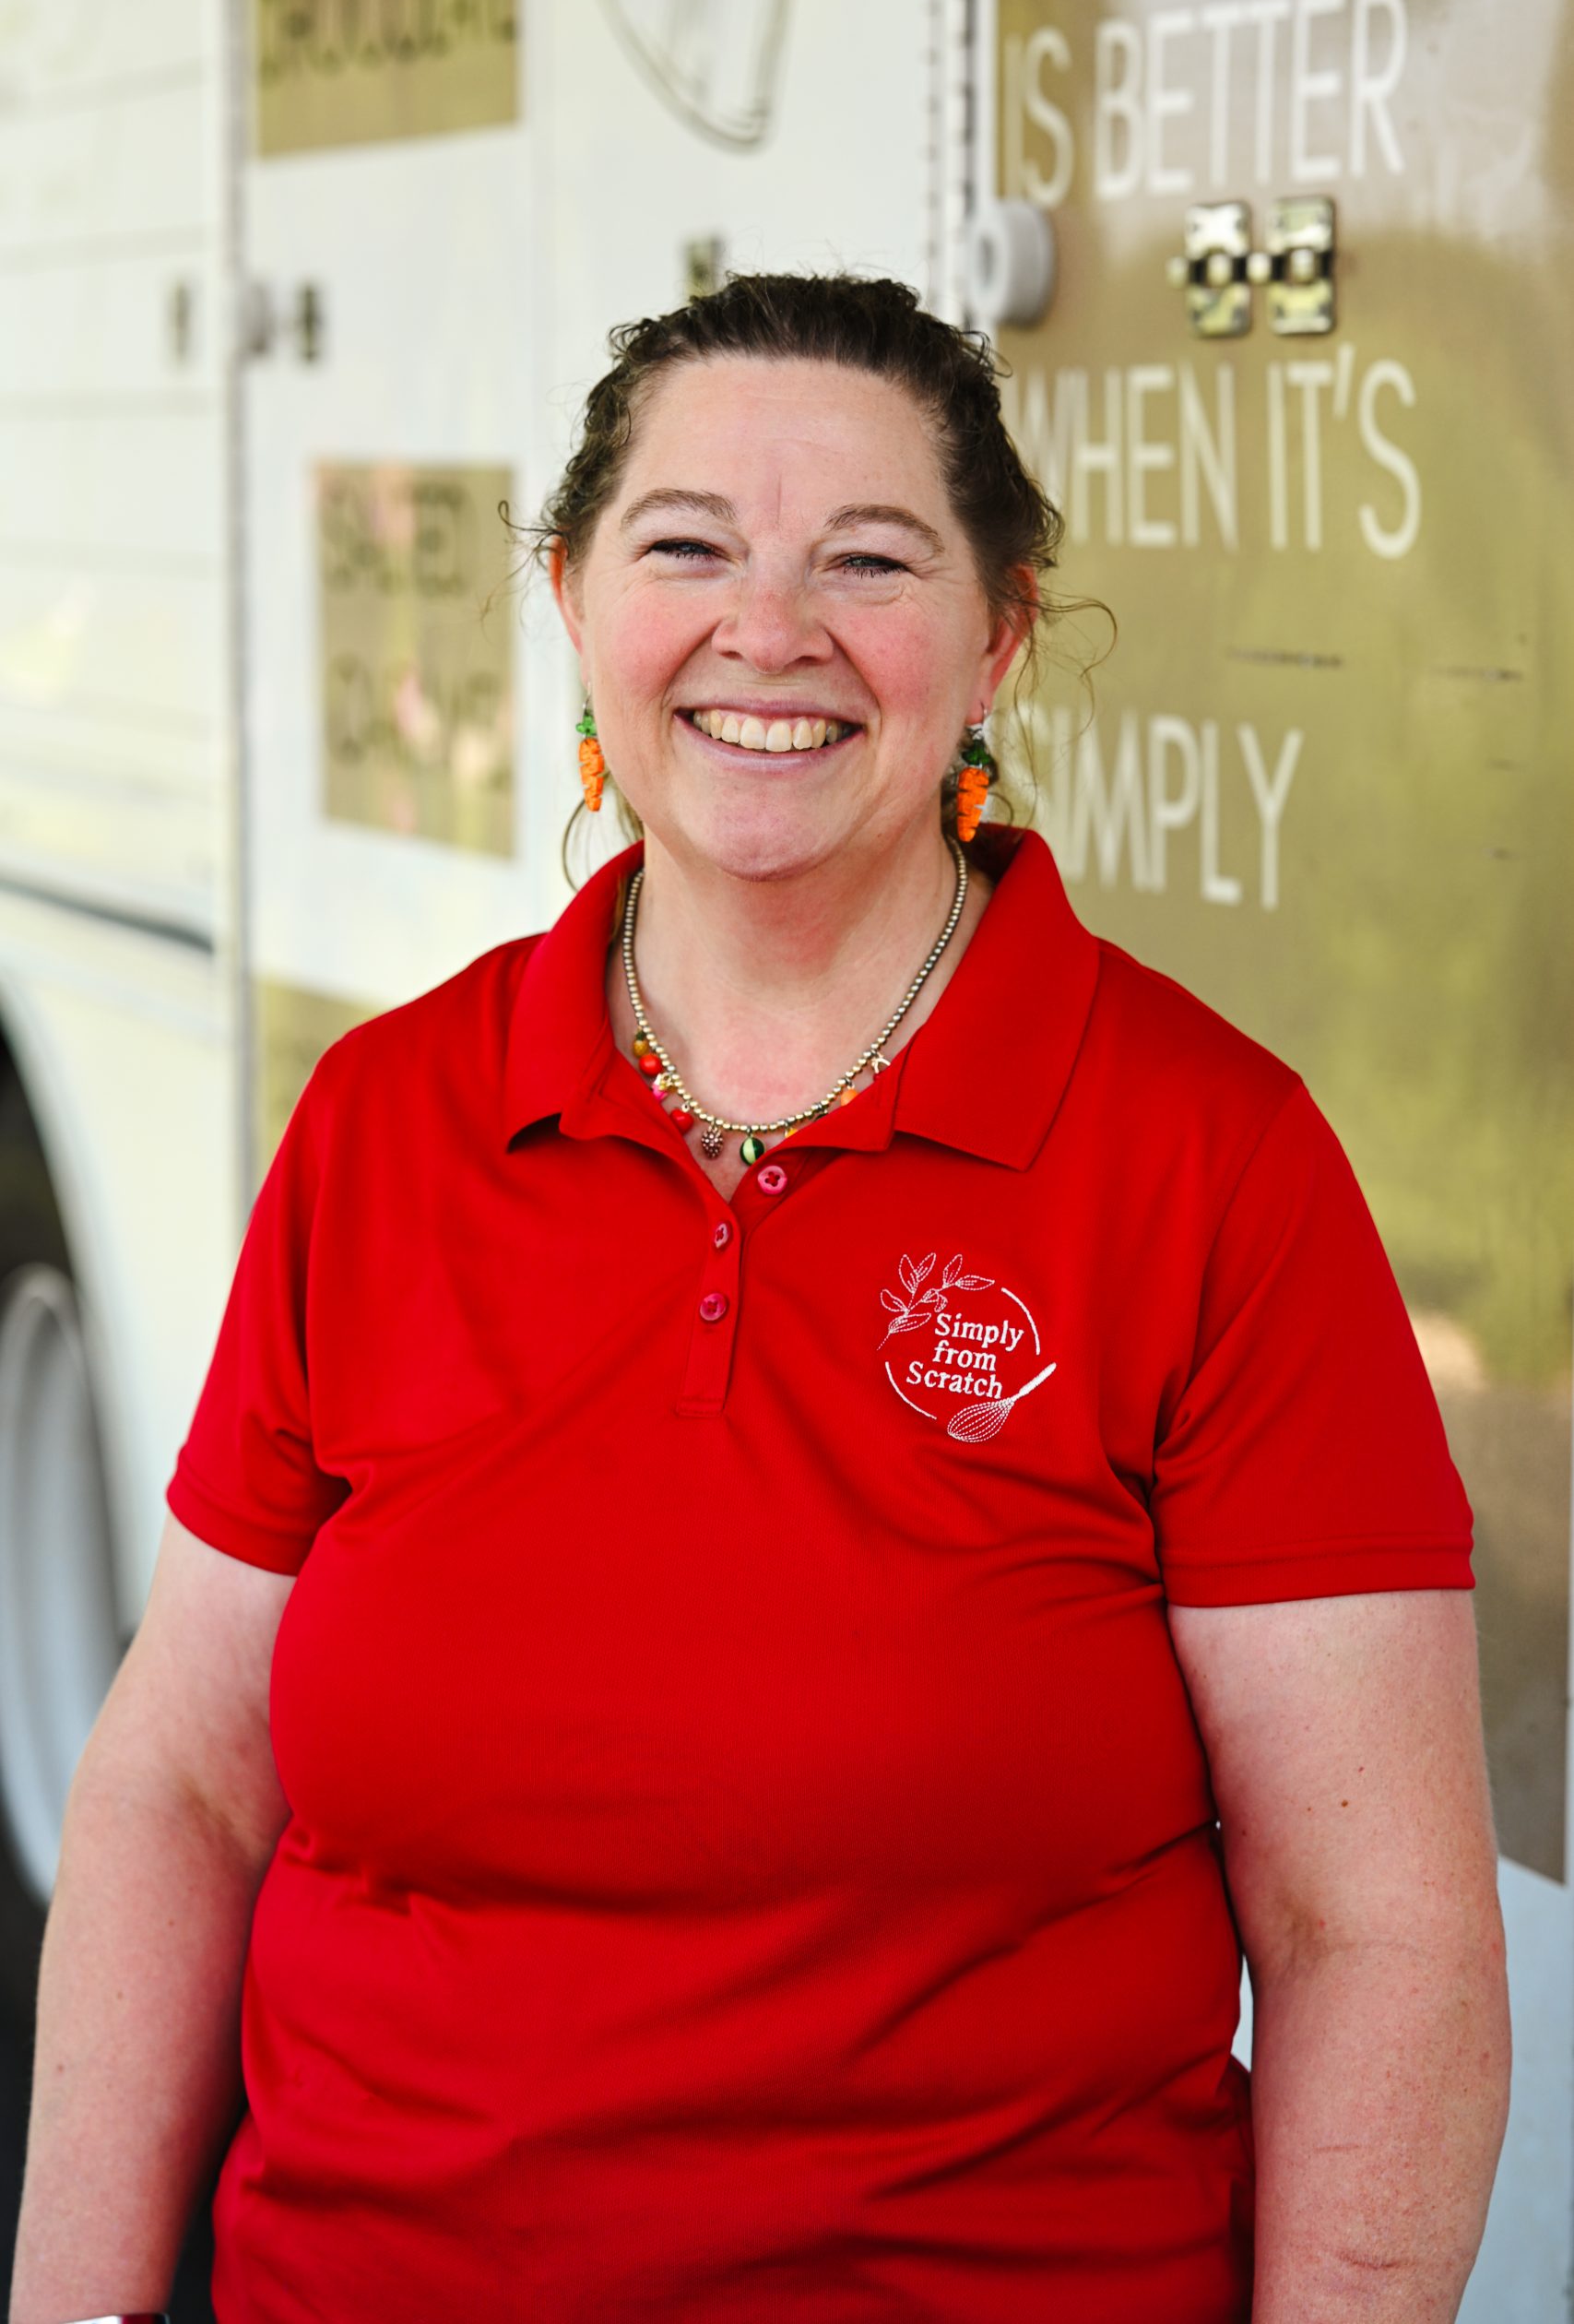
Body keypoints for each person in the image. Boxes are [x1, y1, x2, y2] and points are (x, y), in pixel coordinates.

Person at [12, 272, 1509, 2324]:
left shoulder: (1208, 1162)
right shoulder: (385, 1120)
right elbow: (180, 1781)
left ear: (996, 636)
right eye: (687, 547)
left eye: (868, 561)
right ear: (573, 600)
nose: (769, 628)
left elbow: (1377, 1930)